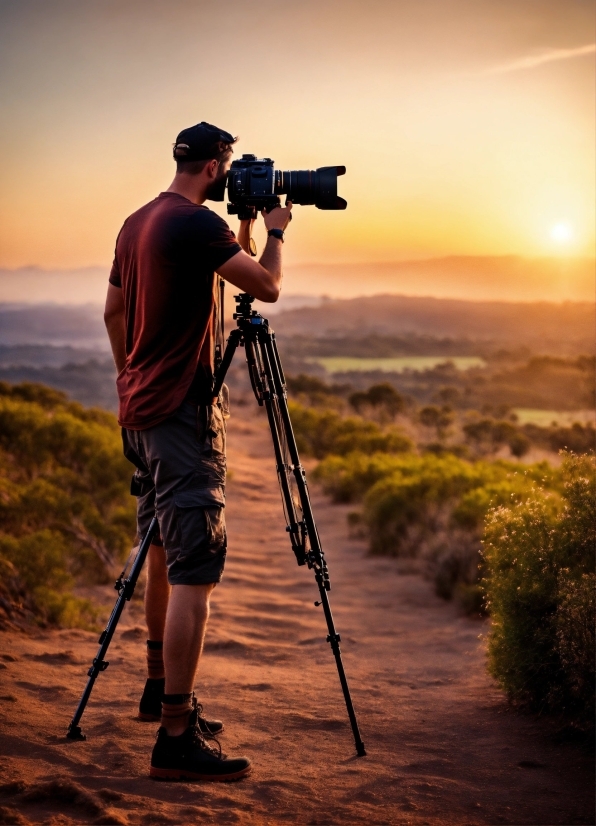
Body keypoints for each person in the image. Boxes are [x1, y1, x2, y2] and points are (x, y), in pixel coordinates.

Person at [103, 121, 292, 781]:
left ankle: (160, 686)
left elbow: (112, 313)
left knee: (161, 546)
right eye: (231, 167)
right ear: (216, 166)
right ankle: (176, 737)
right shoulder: (191, 224)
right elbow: (264, 288)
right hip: (182, 417)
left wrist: (132, 375)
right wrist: (274, 230)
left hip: (141, 412)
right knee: (195, 569)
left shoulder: (139, 222)